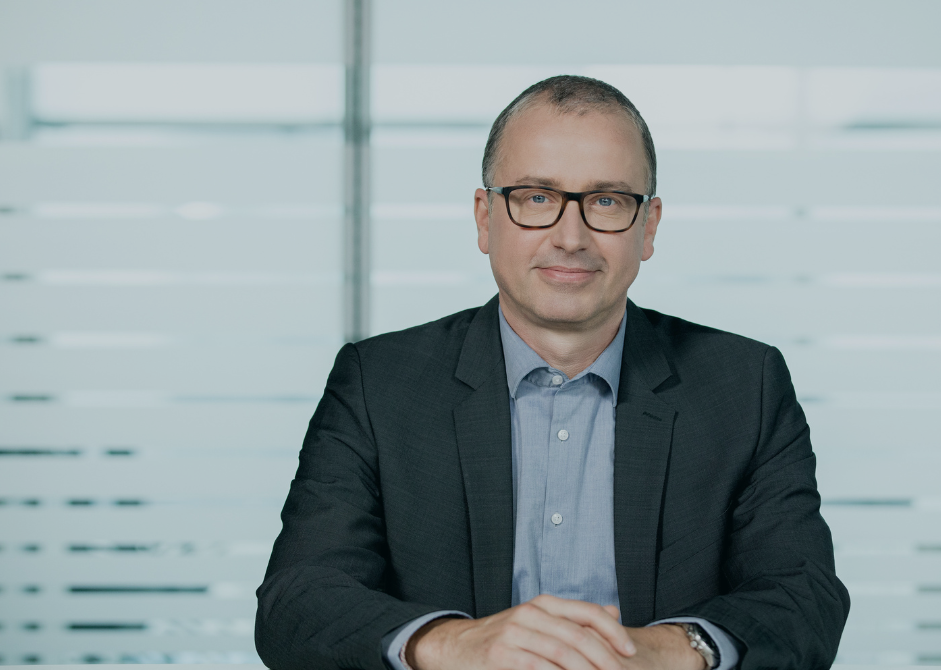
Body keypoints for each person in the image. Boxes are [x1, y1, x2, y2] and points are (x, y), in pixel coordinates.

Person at [255, 75, 849, 670]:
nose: (570, 237)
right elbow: (297, 602)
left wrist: (672, 649)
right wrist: (453, 644)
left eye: (607, 201)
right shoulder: (378, 383)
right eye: (537, 197)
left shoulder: (745, 386)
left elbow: (803, 599)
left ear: (648, 226)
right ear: (485, 218)